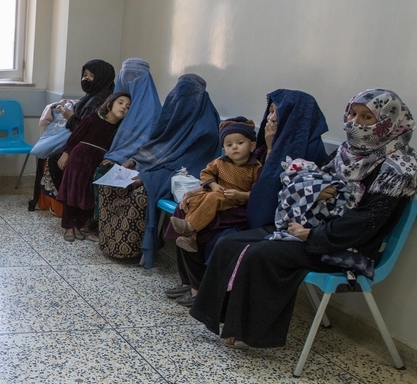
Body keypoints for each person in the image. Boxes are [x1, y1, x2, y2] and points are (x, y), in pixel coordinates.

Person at [189, 89, 416, 349]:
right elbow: (316, 176)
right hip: (312, 224)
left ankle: (248, 333)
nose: (355, 122)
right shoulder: (347, 152)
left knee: (264, 253)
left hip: (345, 244)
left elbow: (367, 221)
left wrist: (313, 235)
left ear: (389, 121)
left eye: (367, 117)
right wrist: (317, 190)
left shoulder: (398, 166)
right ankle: (224, 317)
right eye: (352, 114)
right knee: (230, 243)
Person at [167, 90, 328, 305]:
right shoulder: (258, 146)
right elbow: (216, 173)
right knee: (185, 209)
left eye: (277, 114)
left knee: (208, 231)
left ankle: (201, 288)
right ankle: (190, 281)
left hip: (262, 218)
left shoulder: (306, 151)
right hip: (235, 203)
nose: (270, 118)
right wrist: (197, 191)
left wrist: (272, 149)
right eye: (269, 112)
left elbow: (268, 192)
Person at [113, 73, 220, 268]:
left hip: (185, 177)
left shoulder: (206, 130)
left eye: (186, 95)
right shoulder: (173, 119)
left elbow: (188, 167)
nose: (179, 100)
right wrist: (134, 161)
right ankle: (112, 243)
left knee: (139, 195)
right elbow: (156, 146)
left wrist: (147, 178)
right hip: (160, 171)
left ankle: (133, 248)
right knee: (115, 187)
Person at [34, 59, 117, 213]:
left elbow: (87, 130)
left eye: (92, 76)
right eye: (85, 75)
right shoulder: (92, 96)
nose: (86, 79)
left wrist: (70, 117)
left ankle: (70, 206)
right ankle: (66, 205)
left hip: (92, 148)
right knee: (50, 155)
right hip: (80, 143)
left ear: (102, 77)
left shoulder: (102, 100)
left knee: (55, 159)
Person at [170, 118, 261, 252]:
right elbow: (206, 173)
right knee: (194, 200)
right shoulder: (219, 162)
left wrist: (240, 194)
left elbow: (258, 192)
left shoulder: (256, 168)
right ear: (224, 149)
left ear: (252, 145)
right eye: (229, 145)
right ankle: (191, 237)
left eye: (240, 143)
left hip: (235, 200)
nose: (234, 147)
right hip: (216, 192)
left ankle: (189, 227)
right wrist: (213, 185)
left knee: (213, 198)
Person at [54, 92, 131, 241]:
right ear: (110, 104)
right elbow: (75, 136)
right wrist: (66, 153)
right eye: (120, 103)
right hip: (79, 157)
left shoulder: (118, 129)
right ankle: (68, 226)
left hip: (96, 161)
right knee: (72, 191)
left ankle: (77, 224)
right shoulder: (93, 118)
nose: (123, 108)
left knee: (87, 195)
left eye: (127, 107)